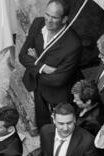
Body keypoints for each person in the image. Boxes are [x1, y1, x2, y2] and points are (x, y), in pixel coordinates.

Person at [19, 0, 83, 131]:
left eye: (54, 17)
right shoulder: (38, 23)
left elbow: (58, 80)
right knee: (42, 120)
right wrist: (43, 68)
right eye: (47, 15)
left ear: (64, 19)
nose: (48, 20)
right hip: (38, 87)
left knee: (61, 127)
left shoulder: (73, 44)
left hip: (58, 94)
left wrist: (35, 63)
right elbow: (22, 55)